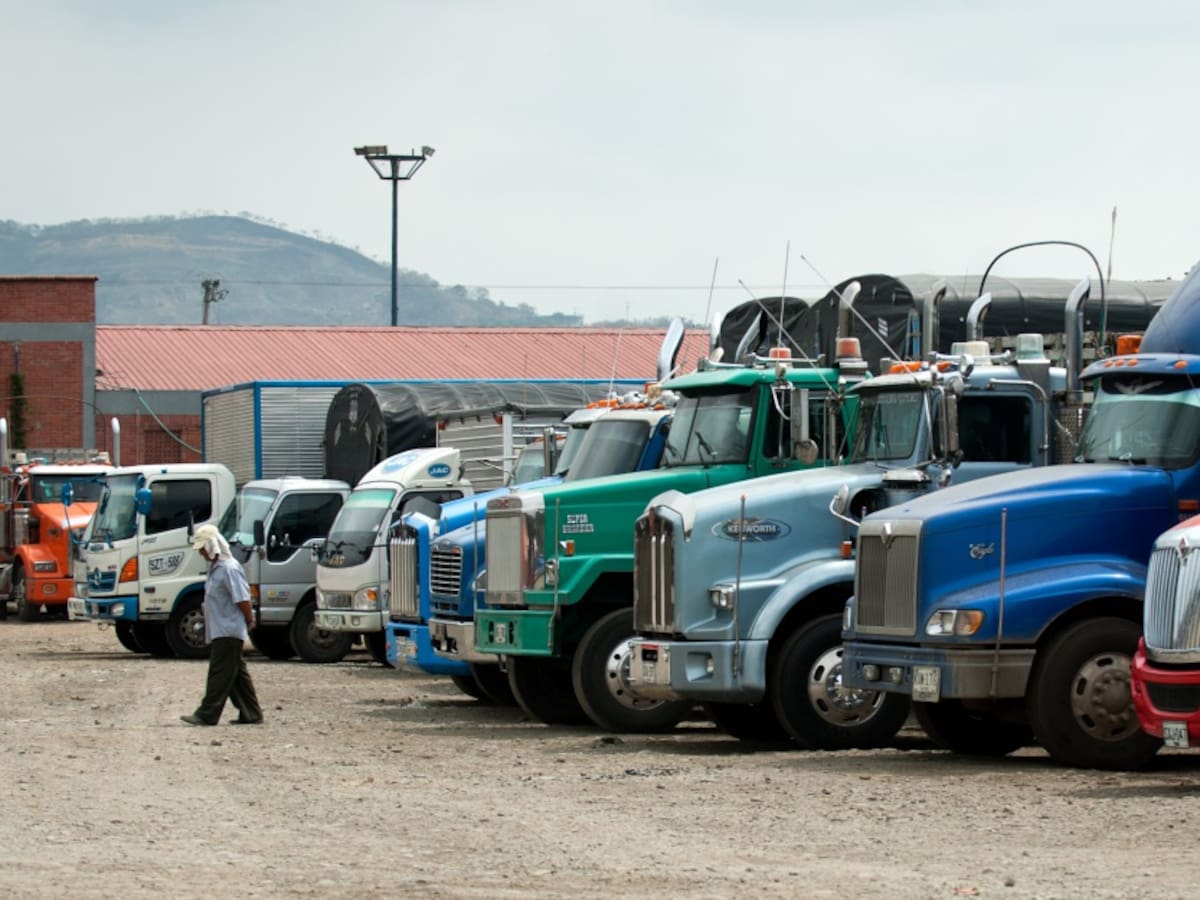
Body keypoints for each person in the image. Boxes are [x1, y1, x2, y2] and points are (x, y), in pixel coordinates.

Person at [180, 523, 263, 726]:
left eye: (202, 548)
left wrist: (249, 618)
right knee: (235, 674)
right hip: (222, 627)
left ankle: (207, 713)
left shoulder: (229, 568)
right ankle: (251, 712)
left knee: (220, 672)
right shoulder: (216, 568)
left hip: (228, 628)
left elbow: (242, 598)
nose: (201, 553)